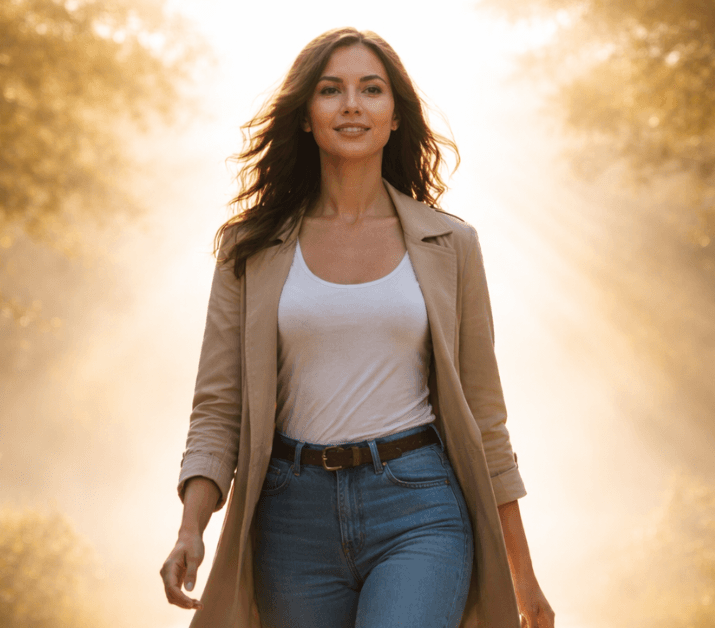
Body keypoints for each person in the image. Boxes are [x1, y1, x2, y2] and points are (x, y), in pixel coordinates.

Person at [159, 27, 555, 628]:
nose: (351, 105)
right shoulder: (250, 249)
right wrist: (191, 527)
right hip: (291, 520)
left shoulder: (451, 245)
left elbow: (485, 420)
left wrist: (523, 579)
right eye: (330, 90)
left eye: (371, 90)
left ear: (395, 116)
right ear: (305, 115)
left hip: (418, 507)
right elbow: (217, 407)